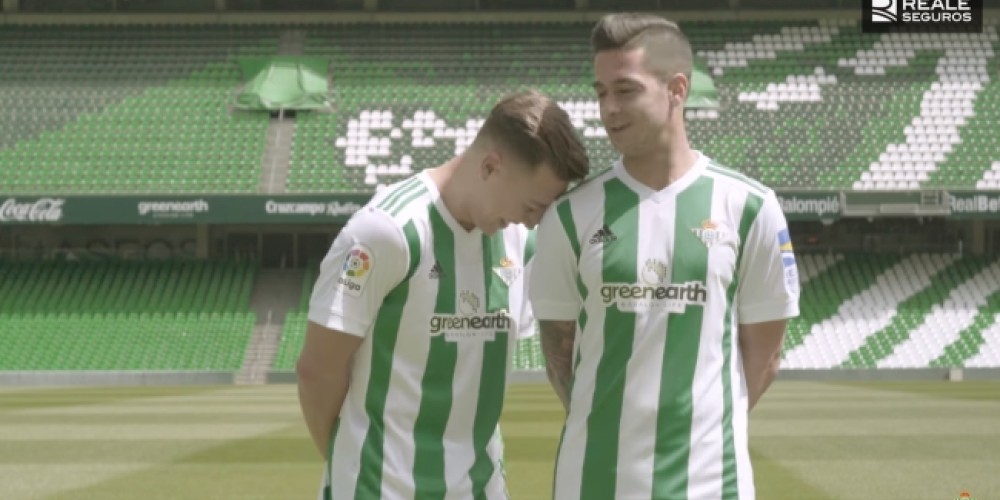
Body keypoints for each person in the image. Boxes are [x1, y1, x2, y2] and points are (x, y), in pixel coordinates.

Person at [529, 13, 800, 500]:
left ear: (677, 89)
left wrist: (699, 437)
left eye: (626, 90)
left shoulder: (750, 207)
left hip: (712, 485)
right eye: (601, 93)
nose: (609, 108)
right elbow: (558, 353)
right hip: (593, 482)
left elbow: (765, 357)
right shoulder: (569, 215)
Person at [296, 90, 589, 499]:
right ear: (490, 166)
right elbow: (318, 370)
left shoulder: (522, 244)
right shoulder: (387, 232)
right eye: (531, 206)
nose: (534, 220)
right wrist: (352, 467)